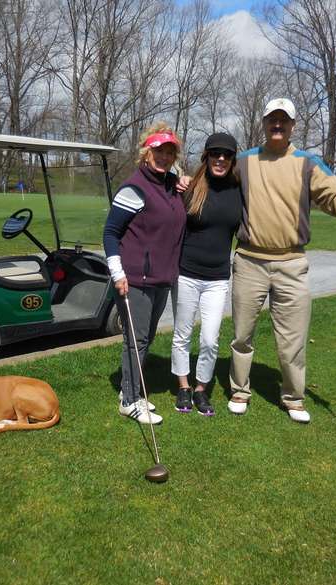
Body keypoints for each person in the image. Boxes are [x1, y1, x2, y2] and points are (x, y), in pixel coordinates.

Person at [228, 97, 336, 423]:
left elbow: (335, 194)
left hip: (292, 264)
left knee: (293, 337)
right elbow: (210, 180)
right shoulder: (243, 162)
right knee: (242, 334)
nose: (277, 125)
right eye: (272, 119)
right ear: (264, 123)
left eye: (283, 120)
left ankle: (293, 397)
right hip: (249, 260)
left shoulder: (306, 163)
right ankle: (239, 390)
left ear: (292, 126)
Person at [102, 122, 187, 425]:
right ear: (146, 153)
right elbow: (111, 233)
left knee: (146, 337)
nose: (164, 156)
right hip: (135, 278)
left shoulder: (170, 185)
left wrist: (181, 181)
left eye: (169, 152)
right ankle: (129, 399)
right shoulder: (134, 188)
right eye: (159, 151)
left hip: (162, 278)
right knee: (135, 340)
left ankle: (134, 391)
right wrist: (117, 272)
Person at [171, 133, 242, 416]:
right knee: (182, 335)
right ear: (206, 156)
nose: (220, 159)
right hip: (186, 274)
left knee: (210, 339)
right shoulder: (190, 187)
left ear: (232, 159)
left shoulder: (239, 191)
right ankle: (183, 387)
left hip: (218, 279)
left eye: (226, 154)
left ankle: (201, 389)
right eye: (215, 153)